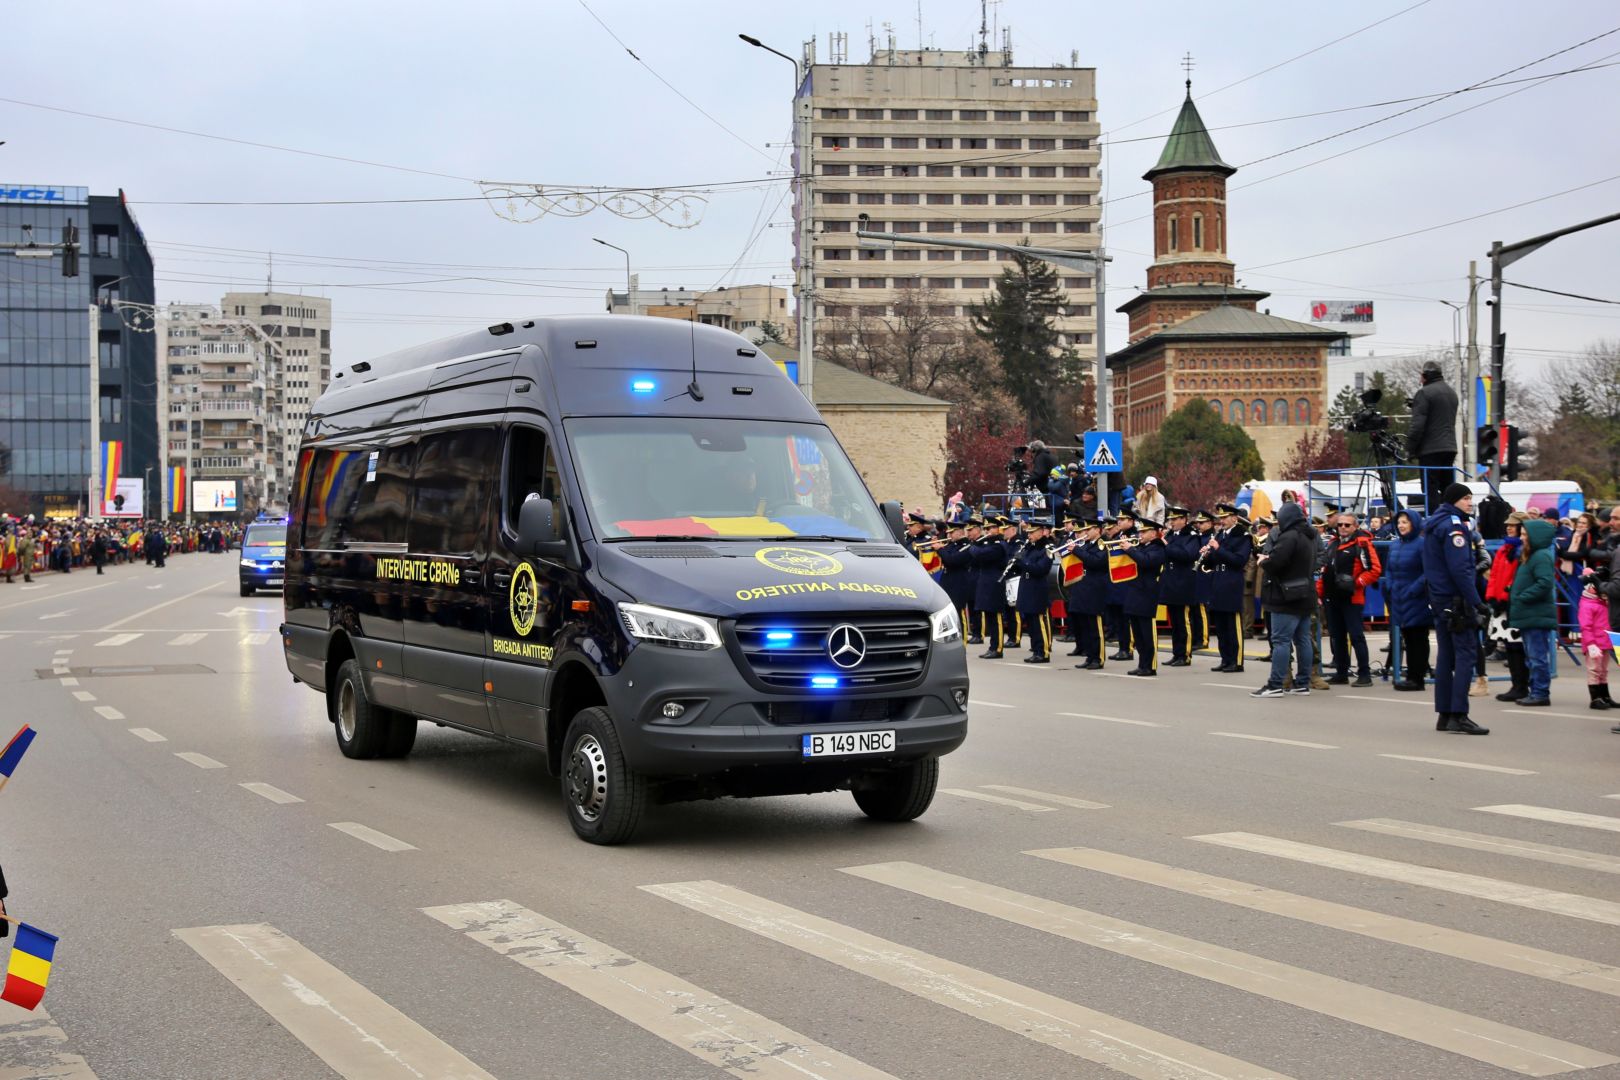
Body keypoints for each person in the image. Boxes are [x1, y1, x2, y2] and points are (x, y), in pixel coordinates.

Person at [1424, 482, 1488, 734]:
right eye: (1465, 498)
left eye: (1470, 498)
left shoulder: (1434, 524)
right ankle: (1459, 715)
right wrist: (1476, 601)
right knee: (1465, 654)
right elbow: (1460, 570)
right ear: (1453, 501)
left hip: (1440, 599)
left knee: (1446, 656)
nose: (1470, 503)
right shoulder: (1454, 527)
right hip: (1456, 600)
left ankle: (1444, 714)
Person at [1250, 501, 1319, 697]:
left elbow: (1277, 562)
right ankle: (1303, 683)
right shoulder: (1310, 535)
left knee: (1280, 641)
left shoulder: (1289, 536)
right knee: (1303, 640)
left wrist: (1263, 561)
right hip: (1306, 592)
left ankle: (1275, 684)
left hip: (1285, 595)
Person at [1319, 511, 1382, 686]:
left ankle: (1364, 674)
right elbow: (1325, 571)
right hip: (1332, 597)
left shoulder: (1362, 543)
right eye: (1340, 525)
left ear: (1355, 526)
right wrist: (1319, 592)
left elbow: (1374, 570)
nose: (1343, 528)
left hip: (1352, 598)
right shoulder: (1332, 543)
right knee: (1337, 636)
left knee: (1356, 636)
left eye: (1347, 525)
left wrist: (1356, 583)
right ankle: (1341, 672)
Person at [1510, 513, 1557, 708]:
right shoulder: (1532, 555)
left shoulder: (1540, 556)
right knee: (1532, 657)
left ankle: (1540, 693)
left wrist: (1522, 597)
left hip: (1535, 613)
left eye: (1524, 535)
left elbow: (1544, 583)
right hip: (1530, 613)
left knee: (1537, 658)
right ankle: (1535, 691)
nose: (1521, 538)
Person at [1386, 509, 1433, 692]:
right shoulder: (1395, 545)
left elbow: (1428, 571)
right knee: (1407, 637)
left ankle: (1417, 678)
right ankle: (1411, 676)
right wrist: (1390, 585)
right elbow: (1389, 569)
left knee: (1418, 638)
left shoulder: (1422, 544)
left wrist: (1414, 589)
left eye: (1405, 522)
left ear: (1414, 523)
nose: (1401, 525)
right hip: (1399, 597)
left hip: (1416, 598)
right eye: (1399, 522)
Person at [1203, 503, 1253, 673]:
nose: (1222, 521)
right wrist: (1207, 555)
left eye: (1225, 518)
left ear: (1234, 518)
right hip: (1218, 582)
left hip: (1232, 582)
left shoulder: (1243, 536)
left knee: (1232, 625)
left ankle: (1236, 661)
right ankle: (1225, 659)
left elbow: (1239, 560)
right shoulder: (1220, 535)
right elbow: (1212, 562)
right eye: (1221, 518)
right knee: (1221, 626)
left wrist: (1218, 549)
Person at [1407, 360, 1459, 513]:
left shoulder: (1424, 393)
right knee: (1448, 487)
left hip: (1430, 450)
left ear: (1425, 376)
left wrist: (1410, 448)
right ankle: (1450, 515)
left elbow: (1418, 426)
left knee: (1430, 488)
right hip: (1450, 447)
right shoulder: (1451, 393)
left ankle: (1434, 518)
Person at [1489, 514, 1530, 702]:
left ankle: (1521, 686)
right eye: (1508, 525)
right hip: (1502, 605)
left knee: (1518, 647)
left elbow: (1516, 579)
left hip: (1514, 604)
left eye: (1513, 525)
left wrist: (1505, 598)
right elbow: (1494, 575)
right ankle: (1516, 685)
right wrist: (1492, 597)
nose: (1509, 528)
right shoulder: (1504, 549)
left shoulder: (1522, 551)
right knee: (1510, 646)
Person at [1122, 518, 1167, 675]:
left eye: (1143, 532)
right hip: (1135, 591)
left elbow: (1146, 562)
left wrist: (1130, 549)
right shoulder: (1140, 547)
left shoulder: (1158, 548)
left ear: (1153, 533)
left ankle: (1150, 666)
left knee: (1147, 632)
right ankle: (1142, 664)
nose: (1139, 534)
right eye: (1139, 531)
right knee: (1138, 633)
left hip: (1147, 593)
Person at [1160, 507, 1200, 666]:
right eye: (1171, 520)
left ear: (1184, 520)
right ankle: (1176, 653)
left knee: (1183, 622)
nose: (1172, 522)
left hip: (1183, 583)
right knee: (1175, 623)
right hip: (1170, 582)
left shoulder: (1191, 536)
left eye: (1175, 519)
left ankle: (1185, 654)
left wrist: (1167, 546)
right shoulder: (1170, 535)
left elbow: (1187, 555)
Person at [1068, 518, 1110, 669]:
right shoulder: (1086, 545)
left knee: (1095, 627)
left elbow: (1096, 562)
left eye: (1088, 529)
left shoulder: (1102, 545)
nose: (1085, 532)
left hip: (1095, 589)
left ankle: (1098, 658)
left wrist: (1077, 550)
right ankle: (1090, 656)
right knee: (1085, 626)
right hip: (1083, 588)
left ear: (1097, 530)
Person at [1013, 520, 1054, 663]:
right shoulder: (1029, 547)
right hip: (1027, 586)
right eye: (1028, 532)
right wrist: (1015, 563)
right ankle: (1036, 650)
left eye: (1032, 532)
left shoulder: (1047, 548)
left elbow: (1041, 569)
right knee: (1030, 622)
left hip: (1037, 588)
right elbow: (1024, 567)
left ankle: (1043, 652)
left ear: (1041, 532)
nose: (1029, 535)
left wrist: (1023, 562)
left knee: (1038, 622)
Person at [971, 516, 1012, 658]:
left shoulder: (999, 545)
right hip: (986, 583)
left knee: (995, 617)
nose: (987, 531)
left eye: (990, 528)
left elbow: (980, 554)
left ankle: (997, 648)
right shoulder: (987, 543)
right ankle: (992, 647)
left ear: (997, 529)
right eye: (986, 528)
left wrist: (973, 546)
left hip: (995, 583)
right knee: (989, 616)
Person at [1578, 568, 1614, 711]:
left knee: (1603, 670)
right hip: (1594, 644)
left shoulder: (1603, 602)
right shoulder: (1587, 604)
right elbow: (1585, 627)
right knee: (1594, 670)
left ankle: (1605, 696)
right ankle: (1595, 699)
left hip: (1605, 642)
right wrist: (1590, 644)